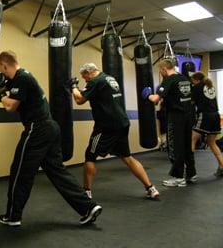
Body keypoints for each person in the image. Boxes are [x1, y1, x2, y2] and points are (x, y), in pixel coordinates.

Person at [0, 50, 102, 227]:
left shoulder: (22, 78)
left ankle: (13, 216)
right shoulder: (22, 77)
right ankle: (88, 207)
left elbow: (10, 106)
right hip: (50, 128)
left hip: (37, 129)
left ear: (4, 65)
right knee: (58, 172)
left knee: (20, 172)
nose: (2, 74)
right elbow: (12, 91)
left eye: (2, 70)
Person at [68, 63, 159, 199]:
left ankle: (86, 192)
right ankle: (151, 188)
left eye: (85, 77)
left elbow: (80, 99)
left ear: (89, 72)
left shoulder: (95, 81)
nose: (85, 80)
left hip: (106, 126)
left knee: (90, 156)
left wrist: (73, 87)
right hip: (122, 123)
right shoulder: (110, 79)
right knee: (127, 157)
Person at [143, 59, 196, 187]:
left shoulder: (168, 80)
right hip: (188, 116)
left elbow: (155, 99)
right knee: (187, 145)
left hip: (176, 117)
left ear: (163, 69)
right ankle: (191, 174)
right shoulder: (184, 78)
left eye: (160, 71)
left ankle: (178, 177)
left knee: (175, 146)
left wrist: (147, 95)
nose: (161, 73)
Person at [190, 71, 223, 177]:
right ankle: (222, 166)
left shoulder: (197, 87)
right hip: (215, 115)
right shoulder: (210, 86)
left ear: (197, 80)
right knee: (211, 143)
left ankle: (189, 170)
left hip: (205, 116)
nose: (192, 83)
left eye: (193, 81)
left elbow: (190, 102)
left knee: (192, 139)